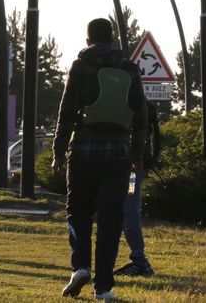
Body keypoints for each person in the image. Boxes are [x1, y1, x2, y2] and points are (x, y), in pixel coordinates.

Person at [52, 18, 147, 301]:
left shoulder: (81, 66)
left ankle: (80, 266)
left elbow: (66, 112)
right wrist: (138, 155)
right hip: (118, 153)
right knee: (110, 218)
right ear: (114, 38)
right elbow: (140, 114)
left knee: (78, 211)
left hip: (82, 150)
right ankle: (103, 287)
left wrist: (58, 152)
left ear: (87, 39)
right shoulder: (129, 68)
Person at [114, 100, 158, 278]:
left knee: (129, 210)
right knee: (128, 209)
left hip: (131, 170)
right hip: (133, 169)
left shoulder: (126, 106)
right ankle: (138, 260)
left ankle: (139, 261)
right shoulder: (142, 105)